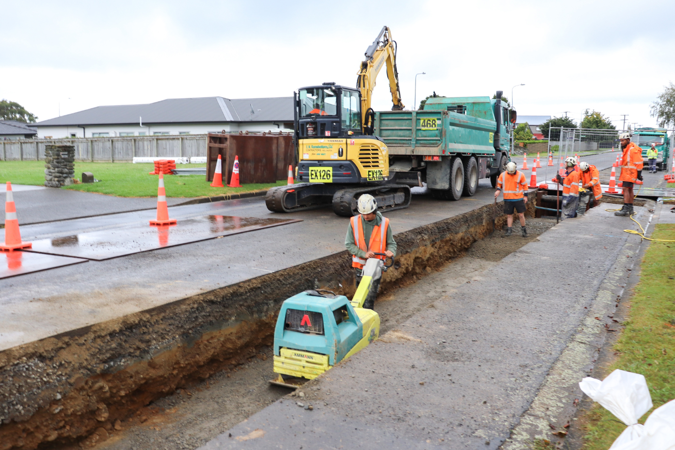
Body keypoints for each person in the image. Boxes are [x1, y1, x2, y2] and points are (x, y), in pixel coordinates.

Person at [345, 194, 396, 310]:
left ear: (374, 210)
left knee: (369, 299)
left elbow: (392, 243)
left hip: (375, 268)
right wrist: (364, 254)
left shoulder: (385, 223)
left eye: (368, 214)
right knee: (359, 298)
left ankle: (367, 322)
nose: (365, 217)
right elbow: (349, 243)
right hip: (360, 267)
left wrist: (390, 251)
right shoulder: (354, 222)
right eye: (363, 214)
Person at [494, 161, 529, 237]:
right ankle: (509, 230)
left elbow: (525, 186)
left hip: (518, 199)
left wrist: (525, 196)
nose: (511, 174)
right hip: (508, 199)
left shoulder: (520, 175)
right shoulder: (503, 175)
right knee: (509, 215)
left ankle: (524, 230)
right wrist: (498, 191)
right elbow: (499, 184)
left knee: (521, 215)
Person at [615, 132, 643, 217]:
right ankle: (630, 208)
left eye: (623, 141)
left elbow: (639, 162)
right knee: (629, 189)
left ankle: (626, 207)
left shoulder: (632, 149)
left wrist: (639, 174)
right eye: (620, 141)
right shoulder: (628, 148)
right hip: (627, 173)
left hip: (630, 173)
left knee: (625, 189)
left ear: (628, 140)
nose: (621, 142)